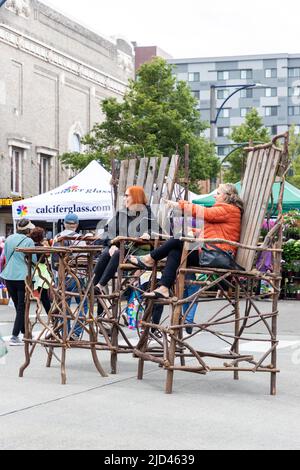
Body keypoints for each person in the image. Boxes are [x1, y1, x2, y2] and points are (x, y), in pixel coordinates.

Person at [129, 184, 244, 333]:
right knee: (176, 249)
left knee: (178, 240)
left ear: (227, 196)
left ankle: (150, 259)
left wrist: (180, 204)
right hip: (212, 252)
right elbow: (211, 231)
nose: (215, 195)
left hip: (217, 255)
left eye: (218, 193)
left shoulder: (229, 209)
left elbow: (203, 212)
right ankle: (164, 287)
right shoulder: (224, 210)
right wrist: (193, 231)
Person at [94, 186, 158, 293]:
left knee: (117, 254)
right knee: (106, 253)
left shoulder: (148, 214)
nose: (124, 198)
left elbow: (158, 231)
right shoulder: (122, 213)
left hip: (140, 252)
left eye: (127, 196)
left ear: (136, 197)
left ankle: (100, 285)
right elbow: (107, 231)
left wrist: (149, 233)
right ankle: (93, 286)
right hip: (122, 248)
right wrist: (111, 243)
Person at [52, 213, 88, 341]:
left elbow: (53, 259)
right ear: (77, 225)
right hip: (77, 275)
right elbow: (84, 259)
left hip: (60, 276)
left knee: (63, 305)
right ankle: (76, 332)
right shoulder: (81, 239)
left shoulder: (57, 237)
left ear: (64, 224)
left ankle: (64, 332)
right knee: (83, 304)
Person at [1, 219, 36, 346]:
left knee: (18, 306)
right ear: (27, 229)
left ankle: (24, 332)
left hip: (8, 275)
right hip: (22, 276)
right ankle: (15, 336)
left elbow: (5, 255)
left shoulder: (9, 239)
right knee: (22, 307)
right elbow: (34, 259)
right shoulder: (29, 241)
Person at [30, 227, 52, 315]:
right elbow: (48, 259)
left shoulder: (29, 247)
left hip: (31, 272)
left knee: (30, 296)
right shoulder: (44, 247)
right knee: (44, 297)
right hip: (42, 273)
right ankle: (51, 316)